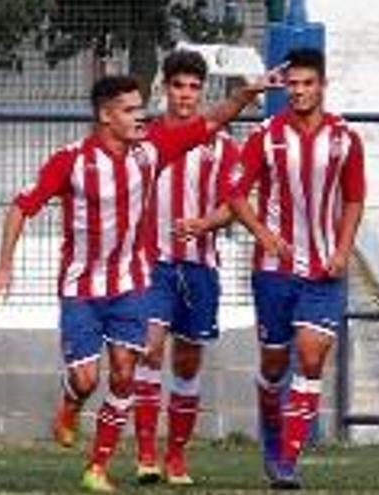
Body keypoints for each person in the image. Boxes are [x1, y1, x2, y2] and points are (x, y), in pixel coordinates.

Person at [0, 68, 281, 492]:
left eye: (141, 107)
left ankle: (97, 467)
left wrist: (245, 95)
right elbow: (20, 207)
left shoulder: (150, 150)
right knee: (87, 379)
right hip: (82, 289)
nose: (141, 117)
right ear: (106, 116)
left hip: (132, 285)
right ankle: (71, 401)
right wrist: (4, 266)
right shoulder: (71, 161)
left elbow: (210, 122)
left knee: (124, 372)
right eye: (130, 110)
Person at [227, 48, 365, 490]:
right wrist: (263, 235)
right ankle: (273, 441)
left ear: (322, 85)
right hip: (273, 271)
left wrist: (343, 249)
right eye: (293, 84)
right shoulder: (265, 135)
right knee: (273, 368)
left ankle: (286, 461)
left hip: (324, 270)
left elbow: (354, 199)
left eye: (308, 83)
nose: (300, 91)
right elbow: (235, 193)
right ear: (285, 87)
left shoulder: (345, 138)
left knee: (310, 358)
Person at [131, 50, 240, 486]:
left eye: (194, 87)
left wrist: (204, 223)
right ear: (165, 88)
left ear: (203, 91)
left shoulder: (222, 143)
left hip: (200, 266)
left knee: (188, 362)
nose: (186, 95)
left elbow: (234, 206)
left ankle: (176, 456)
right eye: (179, 86)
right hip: (152, 262)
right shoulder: (144, 139)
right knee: (149, 348)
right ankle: (145, 454)